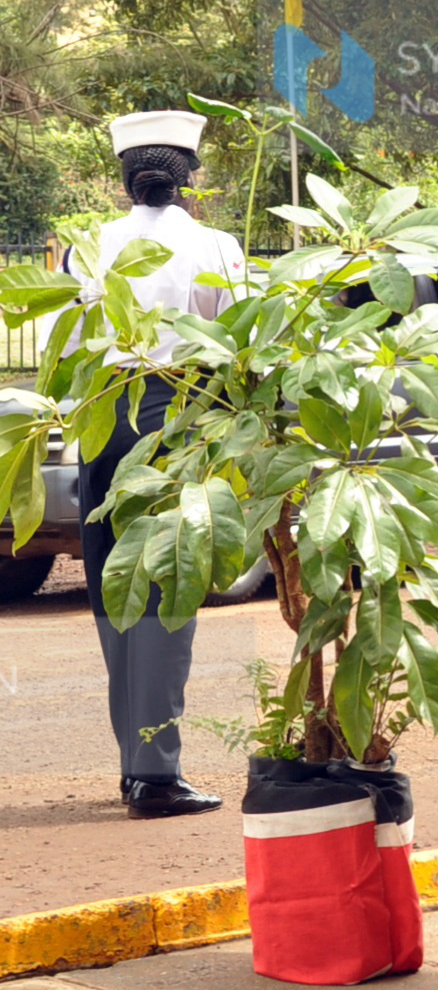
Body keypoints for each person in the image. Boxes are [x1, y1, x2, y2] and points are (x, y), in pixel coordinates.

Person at [76, 111, 244, 818]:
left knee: (113, 584)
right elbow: (237, 341)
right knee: (167, 588)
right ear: (188, 179)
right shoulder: (215, 245)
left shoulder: (91, 247)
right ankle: (154, 775)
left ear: (125, 180)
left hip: (99, 415)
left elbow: (72, 339)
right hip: (174, 413)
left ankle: (136, 765)